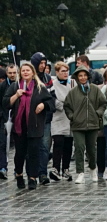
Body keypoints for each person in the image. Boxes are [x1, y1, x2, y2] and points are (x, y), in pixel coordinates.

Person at [3, 61, 53, 190]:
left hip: (34, 126)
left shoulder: (39, 87)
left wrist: (43, 105)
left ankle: (32, 177)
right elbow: (5, 102)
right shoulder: (15, 86)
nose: (25, 72)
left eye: (28, 70)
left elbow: (51, 102)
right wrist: (16, 95)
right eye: (23, 70)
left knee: (34, 152)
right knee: (20, 153)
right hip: (19, 126)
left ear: (32, 72)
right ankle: (19, 174)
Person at [64, 65, 106, 183]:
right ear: (77, 77)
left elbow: (103, 103)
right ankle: (80, 172)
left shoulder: (95, 89)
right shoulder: (73, 92)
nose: (82, 78)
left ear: (88, 76)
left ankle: (92, 169)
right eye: (80, 76)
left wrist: (98, 114)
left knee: (92, 149)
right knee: (79, 148)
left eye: (84, 75)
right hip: (78, 125)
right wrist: (72, 117)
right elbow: (67, 106)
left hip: (93, 124)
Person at [30, 52, 55, 186]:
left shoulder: (47, 79)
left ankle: (42, 173)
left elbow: (52, 99)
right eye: (40, 63)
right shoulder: (29, 78)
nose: (43, 65)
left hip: (45, 118)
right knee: (32, 147)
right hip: (30, 119)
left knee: (44, 146)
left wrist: (45, 105)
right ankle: (31, 173)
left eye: (44, 63)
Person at [50, 61, 73, 181]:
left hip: (69, 118)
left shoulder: (71, 84)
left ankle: (66, 169)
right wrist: (65, 104)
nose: (65, 73)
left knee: (68, 144)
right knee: (58, 142)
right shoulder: (53, 85)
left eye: (67, 71)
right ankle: (55, 168)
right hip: (58, 118)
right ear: (57, 72)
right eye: (63, 71)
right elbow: (53, 100)